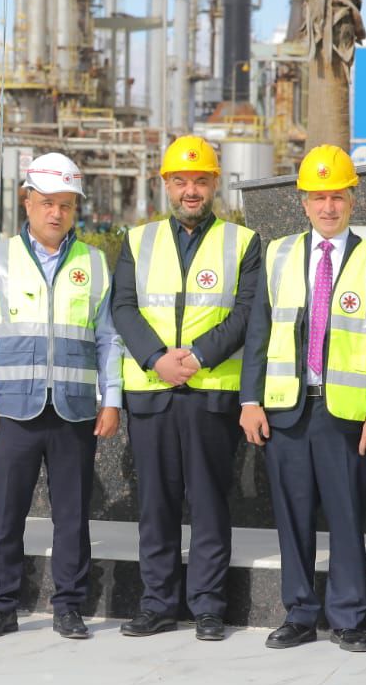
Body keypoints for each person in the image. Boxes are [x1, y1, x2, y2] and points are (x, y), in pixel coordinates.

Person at [240, 144, 366, 652]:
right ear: (303, 202)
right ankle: (299, 614)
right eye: (318, 197)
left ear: (353, 198)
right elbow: (259, 333)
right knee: (291, 518)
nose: (328, 207)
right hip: (286, 408)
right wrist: (250, 401)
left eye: (337, 196)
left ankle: (349, 616)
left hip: (346, 415)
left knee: (347, 516)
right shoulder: (279, 254)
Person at [0, 151, 122, 639]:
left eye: (66, 205)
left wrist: (111, 399)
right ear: (26, 201)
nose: (56, 213)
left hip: (74, 411)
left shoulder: (93, 263)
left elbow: (108, 338)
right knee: (6, 514)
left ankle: (68, 606)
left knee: (72, 517)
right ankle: (0, 606)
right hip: (13, 410)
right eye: (48, 203)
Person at [111, 135, 260, 641]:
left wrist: (196, 357)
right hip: (151, 391)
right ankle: (157, 604)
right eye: (180, 181)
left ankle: (209, 606)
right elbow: (123, 307)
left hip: (210, 391)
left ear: (215, 184)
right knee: (155, 504)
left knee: (210, 504)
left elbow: (246, 312)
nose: (190, 191)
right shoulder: (138, 240)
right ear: (166, 185)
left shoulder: (243, 242)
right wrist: (156, 358)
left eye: (199, 181)